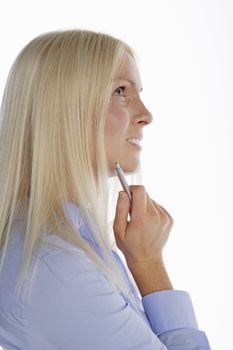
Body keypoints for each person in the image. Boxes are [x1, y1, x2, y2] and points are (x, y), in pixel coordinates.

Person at [0, 29, 211, 349]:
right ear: (64, 107)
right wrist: (149, 264)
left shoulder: (75, 244)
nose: (146, 115)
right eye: (120, 91)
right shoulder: (56, 268)